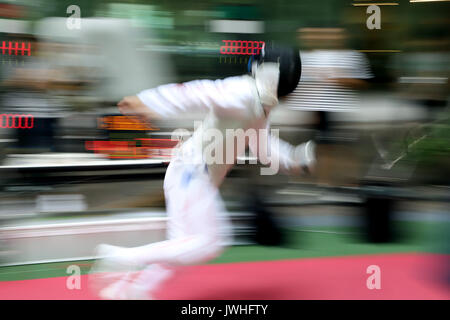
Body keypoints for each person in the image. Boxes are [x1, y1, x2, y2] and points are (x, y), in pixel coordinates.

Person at [89, 44, 316, 299]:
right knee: (209, 242)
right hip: (191, 174)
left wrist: (293, 160)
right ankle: (118, 257)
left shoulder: (260, 105)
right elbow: (196, 93)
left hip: (193, 176)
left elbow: (263, 147)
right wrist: (149, 100)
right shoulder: (242, 93)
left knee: (181, 247)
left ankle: (131, 292)